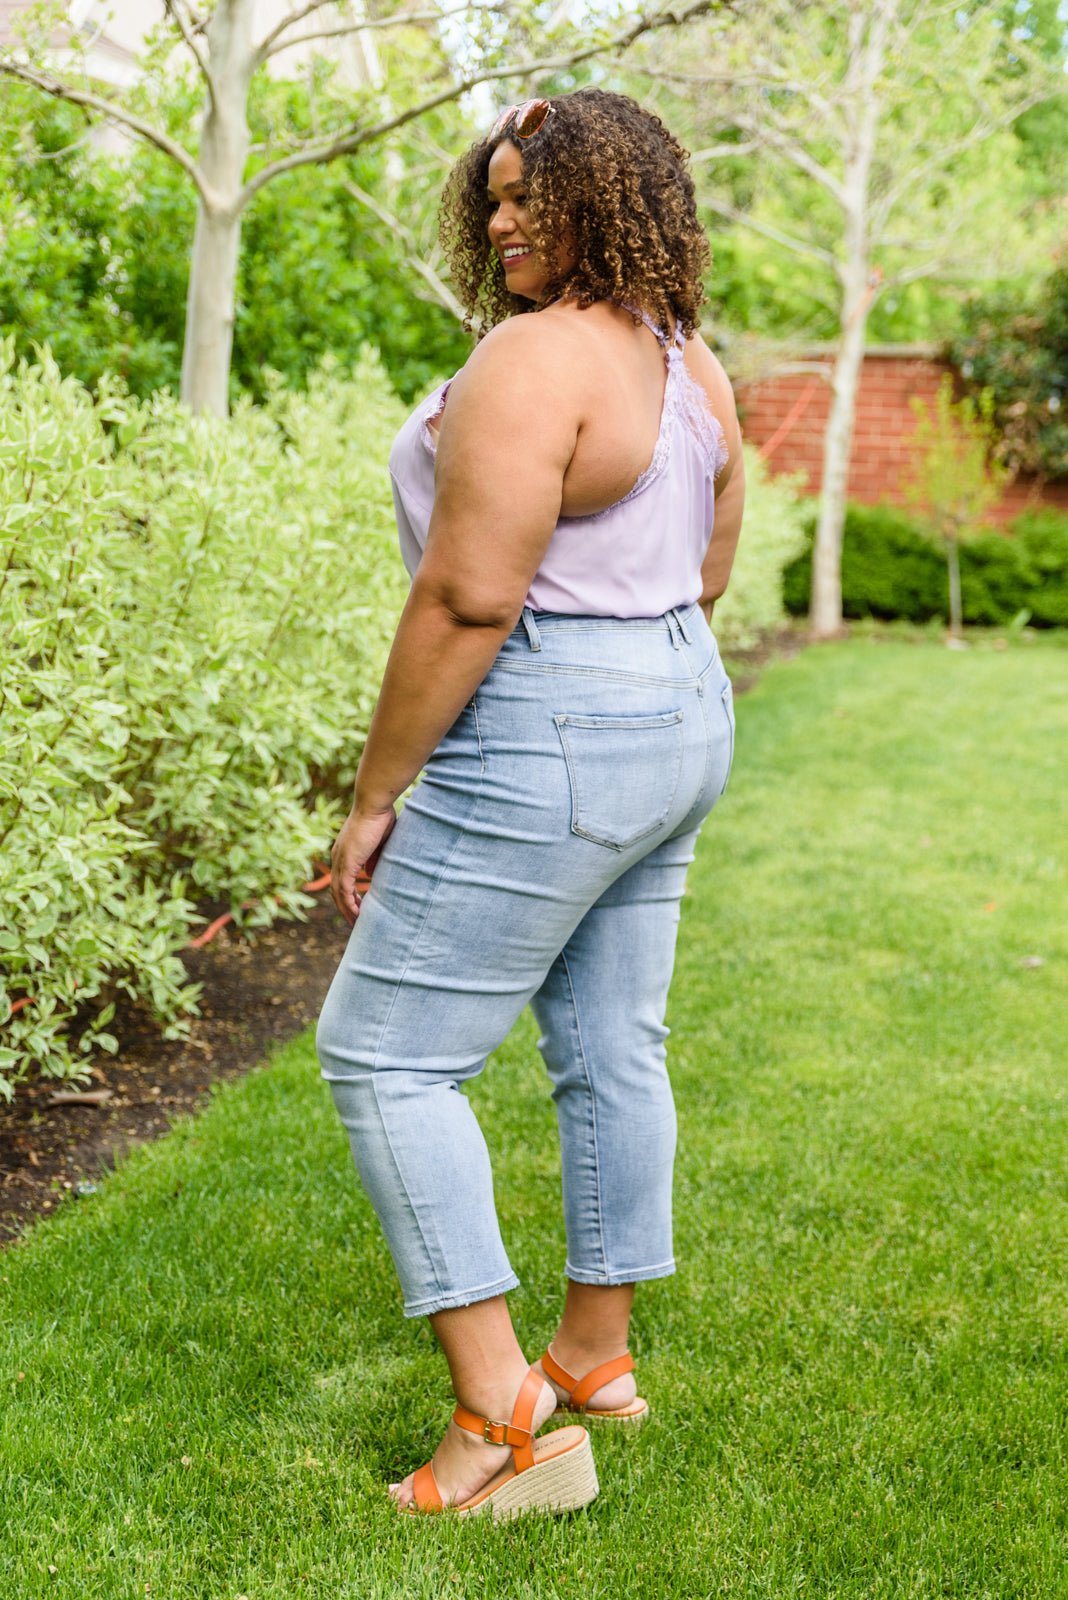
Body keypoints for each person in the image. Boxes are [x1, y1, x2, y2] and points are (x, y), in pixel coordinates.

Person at [315, 87, 745, 1519]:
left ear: (608, 201)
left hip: (557, 718)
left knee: (385, 1057)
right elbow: (710, 567)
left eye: (529, 196)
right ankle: (594, 1355)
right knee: (614, 1039)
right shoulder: (687, 359)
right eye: (491, 195)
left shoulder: (531, 357)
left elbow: (467, 597)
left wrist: (378, 793)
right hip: (679, 705)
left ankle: (501, 1421)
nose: (501, 219)